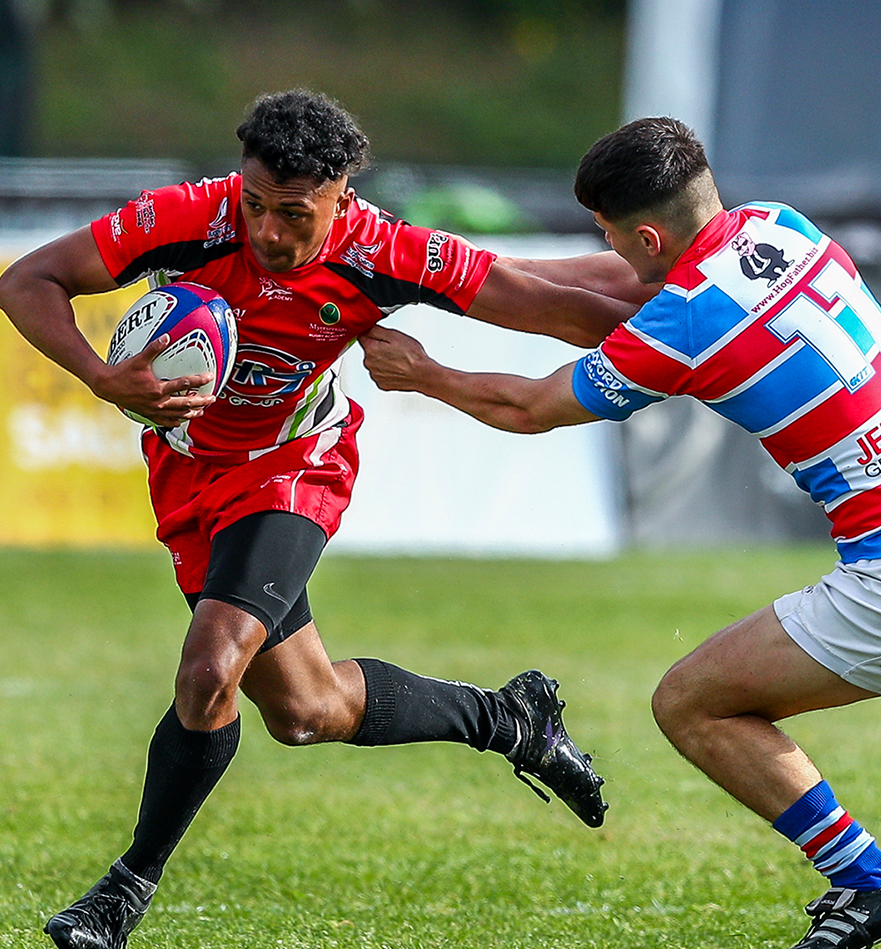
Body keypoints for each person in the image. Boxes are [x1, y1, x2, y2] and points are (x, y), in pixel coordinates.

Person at [0, 89, 650, 949]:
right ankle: (511, 720)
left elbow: (538, 301)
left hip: (292, 469)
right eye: (256, 204)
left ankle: (121, 892)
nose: (267, 230)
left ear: (341, 198)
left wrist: (697, 346)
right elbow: (25, 281)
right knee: (304, 710)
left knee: (208, 666)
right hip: (189, 469)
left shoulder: (387, 252)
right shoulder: (190, 217)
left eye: (293, 214)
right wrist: (96, 372)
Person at [360, 116, 881, 949]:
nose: (603, 246)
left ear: (648, 233)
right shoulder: (782, 226)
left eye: (609, 232)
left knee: (693, 703)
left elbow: (528, 406)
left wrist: (428, 373)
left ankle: (867, 880)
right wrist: (472, 277)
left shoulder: (688, 321)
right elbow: (623, 286)